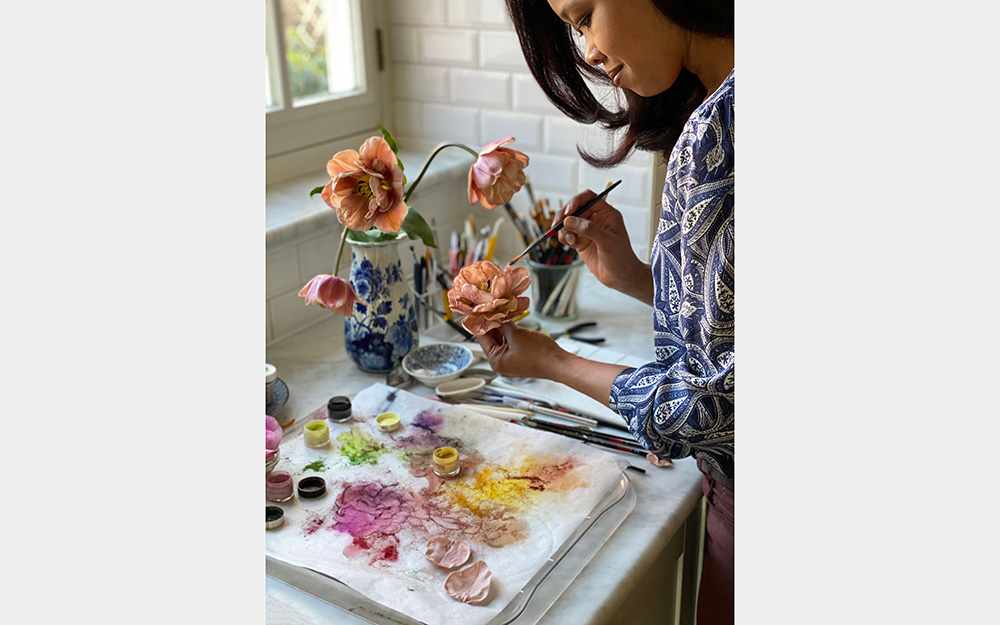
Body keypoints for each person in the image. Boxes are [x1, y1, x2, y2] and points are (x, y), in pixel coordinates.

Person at [483, 1, 734, 623]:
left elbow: (719, 407)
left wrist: (553, 362)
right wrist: (637, 277)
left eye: (587, 12)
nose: (589, 50)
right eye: (574, 27)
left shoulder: (724, 131)